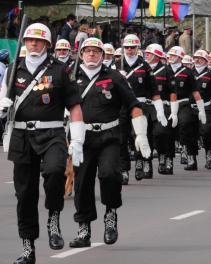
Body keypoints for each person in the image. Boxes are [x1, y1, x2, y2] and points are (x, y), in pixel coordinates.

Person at [0, 23, 84, 264]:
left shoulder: (60, 71)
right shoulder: (15, 69)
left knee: (55, 172)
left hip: (52, 133)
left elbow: (74, 105)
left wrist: (77, 139)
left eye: (38, 40)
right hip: (22, 136)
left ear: (47, 44)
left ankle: (53, 217)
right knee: (25, 194)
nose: (33, 44)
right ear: (24, 42)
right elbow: (2, 101)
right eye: (29, 40)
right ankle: (27, 247)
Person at [69, 37, 150, 248]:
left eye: (96, 51)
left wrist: (140, 133)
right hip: (82, 138)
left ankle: (111, 215)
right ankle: (84, 229)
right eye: (87, 51)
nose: (92, 55)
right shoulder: (71, 77)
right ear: (81, 54)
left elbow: (134, 104)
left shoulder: (114, 77)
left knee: (110, 175)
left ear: (103, 55)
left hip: (109, 137)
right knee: (82, 183)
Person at [119, 34, 157, 182]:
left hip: (140, 106)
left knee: (140, 135)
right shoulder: (117, 64)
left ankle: (142, 161)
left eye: (132, 47)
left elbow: (153, 89)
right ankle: (124, 170)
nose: (129, 50)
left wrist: (157, 107)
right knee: (122, 138)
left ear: (137, 48)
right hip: (122, 107)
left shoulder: (145, 66)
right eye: (127, 47)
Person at [166, 46, 205, 170]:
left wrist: (201, 109)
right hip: (167, 104)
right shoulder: (164, 70)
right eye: (170, 55)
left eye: (174, 55)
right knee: (167, 132)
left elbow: (195, 92)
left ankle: (190, 156)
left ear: (180, 57)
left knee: (186, 125)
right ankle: (168, 160)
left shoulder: (188, 72)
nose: (171, 57)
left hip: (183, 103)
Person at [144, 43, 175, 174]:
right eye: (146, 53)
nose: (147, 55)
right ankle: (147, 163)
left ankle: (164, 155)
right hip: (146, 106)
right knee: (146, 135)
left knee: (161, 133)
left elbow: (173, 91)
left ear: (157, 55)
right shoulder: (142, 68)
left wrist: (174, 111)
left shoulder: (167, 70)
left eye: (149, 54)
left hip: (163, 105)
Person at [192, 49, 211, 170]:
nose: (197, 60)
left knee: (206, 131)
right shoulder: (188, 73)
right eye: (195, 58)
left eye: (200, 58)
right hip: (190, 108)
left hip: (206, 107)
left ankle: (209, 153)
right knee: (190, 133)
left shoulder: (210, 75)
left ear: (205, 61)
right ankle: (191, 159)